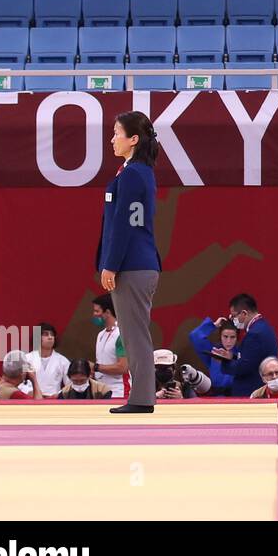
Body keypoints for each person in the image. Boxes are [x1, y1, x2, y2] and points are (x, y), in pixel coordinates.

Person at [96, 110, 162, 414]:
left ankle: (142, 398)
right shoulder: (135, 172)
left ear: (133, 139)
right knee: (135, 333)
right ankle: (141, 396)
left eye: (116, 133)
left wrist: (110, 264)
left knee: (135, 335)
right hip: (137, 262)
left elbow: (125, 224)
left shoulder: (134, 173)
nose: (112, 139)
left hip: (132, 264)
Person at [214, 294, 278, 397]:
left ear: (244, 313)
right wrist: (232, 356)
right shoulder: (264, 326)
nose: (233, 320)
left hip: (250, 392)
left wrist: (223, 362)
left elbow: (244, 367)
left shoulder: (254, 334)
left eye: (234, 316)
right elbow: (253, 358)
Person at [188, 317, 238, 394]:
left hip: (238, 399)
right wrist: (213, 325)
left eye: (232, 337)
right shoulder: (214, 352)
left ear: (237, 338)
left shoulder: (241, 354)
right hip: (215, 400)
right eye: (225, 336)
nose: (228, 341)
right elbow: (195, 336)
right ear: (220, 336)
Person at [92, 294, 128, 400]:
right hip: (100, 392)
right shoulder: (100, 335)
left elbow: (124, 367)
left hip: (119, 392)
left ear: (107, 312)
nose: (94, 314)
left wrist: (96, 367)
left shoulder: (121, 334)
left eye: (97, 311)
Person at [20, 322, 70, 398]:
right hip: (31, 398)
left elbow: (70, 384)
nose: (50, 337)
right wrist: (29, 391)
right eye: (46, 334)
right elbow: (20, 382)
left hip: (54, 400)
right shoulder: (27, 359)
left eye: (52, 335)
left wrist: (58, 395)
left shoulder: (63, 361)